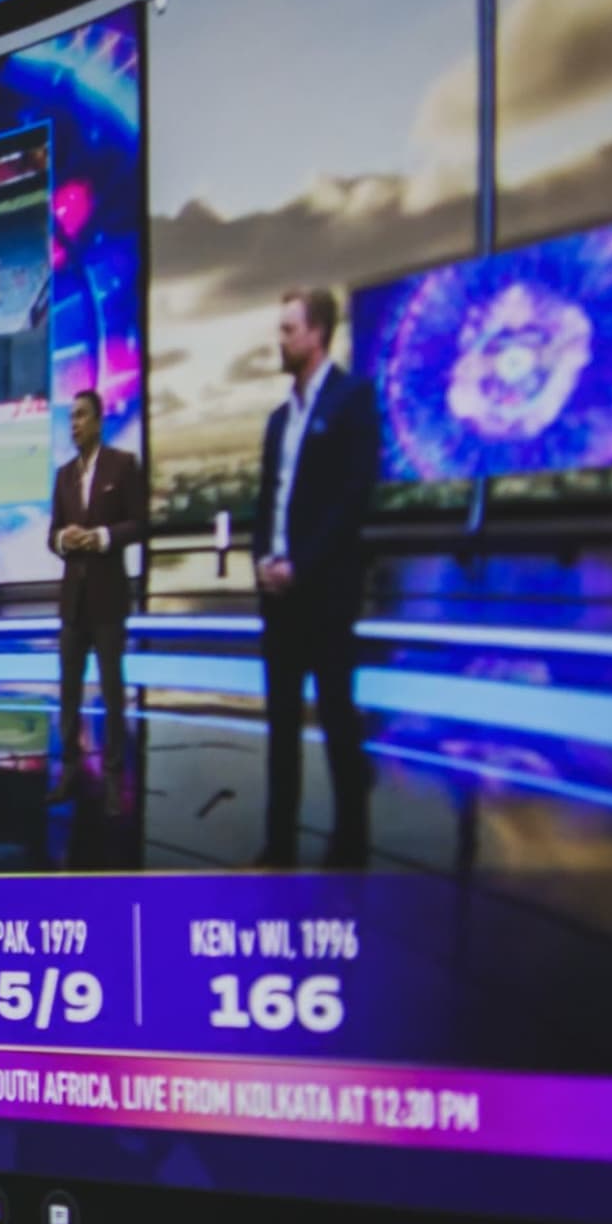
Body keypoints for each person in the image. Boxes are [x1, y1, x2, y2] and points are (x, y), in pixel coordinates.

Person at [250, 289, 381, 867]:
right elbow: (267, 501)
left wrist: (299, 562)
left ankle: (351, 843)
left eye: (288, 330)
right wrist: (262, 561)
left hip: (325, 595)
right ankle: (279, 845)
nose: (280, 341)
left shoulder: (353, 400)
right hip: (277, 600)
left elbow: (352, 498)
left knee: (335, 720)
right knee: (280, 729)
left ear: (319, 333)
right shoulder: (280, 420)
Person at [50, 385, 145, 790]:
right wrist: (63, 541)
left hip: (108, 600)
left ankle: (112, 776)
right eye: (71, 417)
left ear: (99, 421)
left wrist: (101, 537)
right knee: (69, 691)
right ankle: (69, 768)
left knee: (111, 690)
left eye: (81, 416)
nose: (74, 424)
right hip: (73, 602)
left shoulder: (123, 466)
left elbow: (141, 523)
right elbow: (52, 533)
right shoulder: (64, 476)